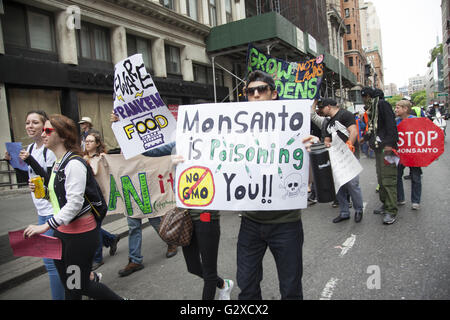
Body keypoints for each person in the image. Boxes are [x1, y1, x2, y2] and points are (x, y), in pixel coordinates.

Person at [23, 114, 124, 300]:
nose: (43, 134)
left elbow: (75, 204)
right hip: (63, 234)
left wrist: (45, 226)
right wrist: (44, 193)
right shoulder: (57, 163)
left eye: (47, 130)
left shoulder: (74, 164)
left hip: (79, 237)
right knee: (70, 285)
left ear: (62, 136)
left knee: (79, 285)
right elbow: (59, 197)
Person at [236, 70, 303, 300]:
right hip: (250, 222)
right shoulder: (236, 128)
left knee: (291, 287)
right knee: (246, 285)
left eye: (261, 89)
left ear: (273, 94)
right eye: (249, 91)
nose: (254, 95)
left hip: (285, 222)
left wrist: (309, 151)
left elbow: (308, 179)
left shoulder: (294, 127)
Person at [4, 110, 65, 300]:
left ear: (45, 126)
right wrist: (14, 163)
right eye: (27, 122)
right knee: (62, 258)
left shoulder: (49, 150)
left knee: (51, 261)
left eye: (35, 123)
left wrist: (29, 161)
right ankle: (87, 281)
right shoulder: (30, 149)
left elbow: (50, 181)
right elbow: (28, 178)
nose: (30, 126)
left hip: (53, 210)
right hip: (41, 210)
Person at [109, 113, 178, 278]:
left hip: (148, 187)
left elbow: (158, 152)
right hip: (132, 189)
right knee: (133, 226)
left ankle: (170, 242)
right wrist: (118, 125)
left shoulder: (151, 143)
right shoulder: (124, 146)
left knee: (155, 221)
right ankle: (135, 259)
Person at [319, 98, 364, 223]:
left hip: (349, 155)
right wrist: (326, 144)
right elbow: (327, 139)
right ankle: (344, 212)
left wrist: (350, 144)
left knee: (352, 184)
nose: (321, 111)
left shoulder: (345, 114)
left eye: (322, 108)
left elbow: (353, 131)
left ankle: (359, 209)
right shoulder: (327, 123)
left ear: (328, 106)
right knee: (339, 185)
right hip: (336, 156)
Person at [361, 87, 399, 225]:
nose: (363, 100)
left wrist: (390, 144)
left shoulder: (382, 104)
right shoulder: (373, 108)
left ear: (368, 96)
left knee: (388, 179)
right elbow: (373, 128)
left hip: (386, 149)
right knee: (381, 179)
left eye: (364, 97)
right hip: (378, 149)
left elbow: (391, 125)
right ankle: (385, 203)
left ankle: (391, 210)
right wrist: (365, 138)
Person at [83, 132, 120, 270]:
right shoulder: (82, 157)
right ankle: (111, 239)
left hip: (99, 197)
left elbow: (95, 172)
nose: (87, 143)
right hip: (87, 197)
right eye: (86, 141)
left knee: (94, 227)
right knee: (94, 226)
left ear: (97, 144)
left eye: (91, 141)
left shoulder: (102, 157)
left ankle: (97, 258)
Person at [394, 100, 422, 210]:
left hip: (413, 155)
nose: (395, 109)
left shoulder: (416, 121)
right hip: (400, 154)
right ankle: (400, 198)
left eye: (398, 107)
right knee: (397, 175)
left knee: (415, 177)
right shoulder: (395, 121)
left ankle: (415, 201)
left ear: (405, 109)